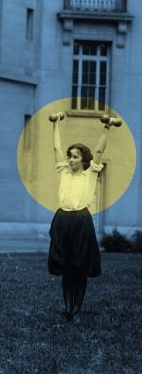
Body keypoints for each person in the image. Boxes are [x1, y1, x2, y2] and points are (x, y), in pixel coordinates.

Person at [48, 114, 110, 321]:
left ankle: (77, 309)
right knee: (66, 267)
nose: (70, 159)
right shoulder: (64, 172)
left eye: (74, 156)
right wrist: (55, 124)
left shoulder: (90, 173)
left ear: (83, 159)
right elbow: (56, 148)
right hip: (62, 220)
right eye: (69, 156)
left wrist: (106, 127)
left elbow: (100, 150)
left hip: (81, 221)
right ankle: (68, 308)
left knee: (80, 267)